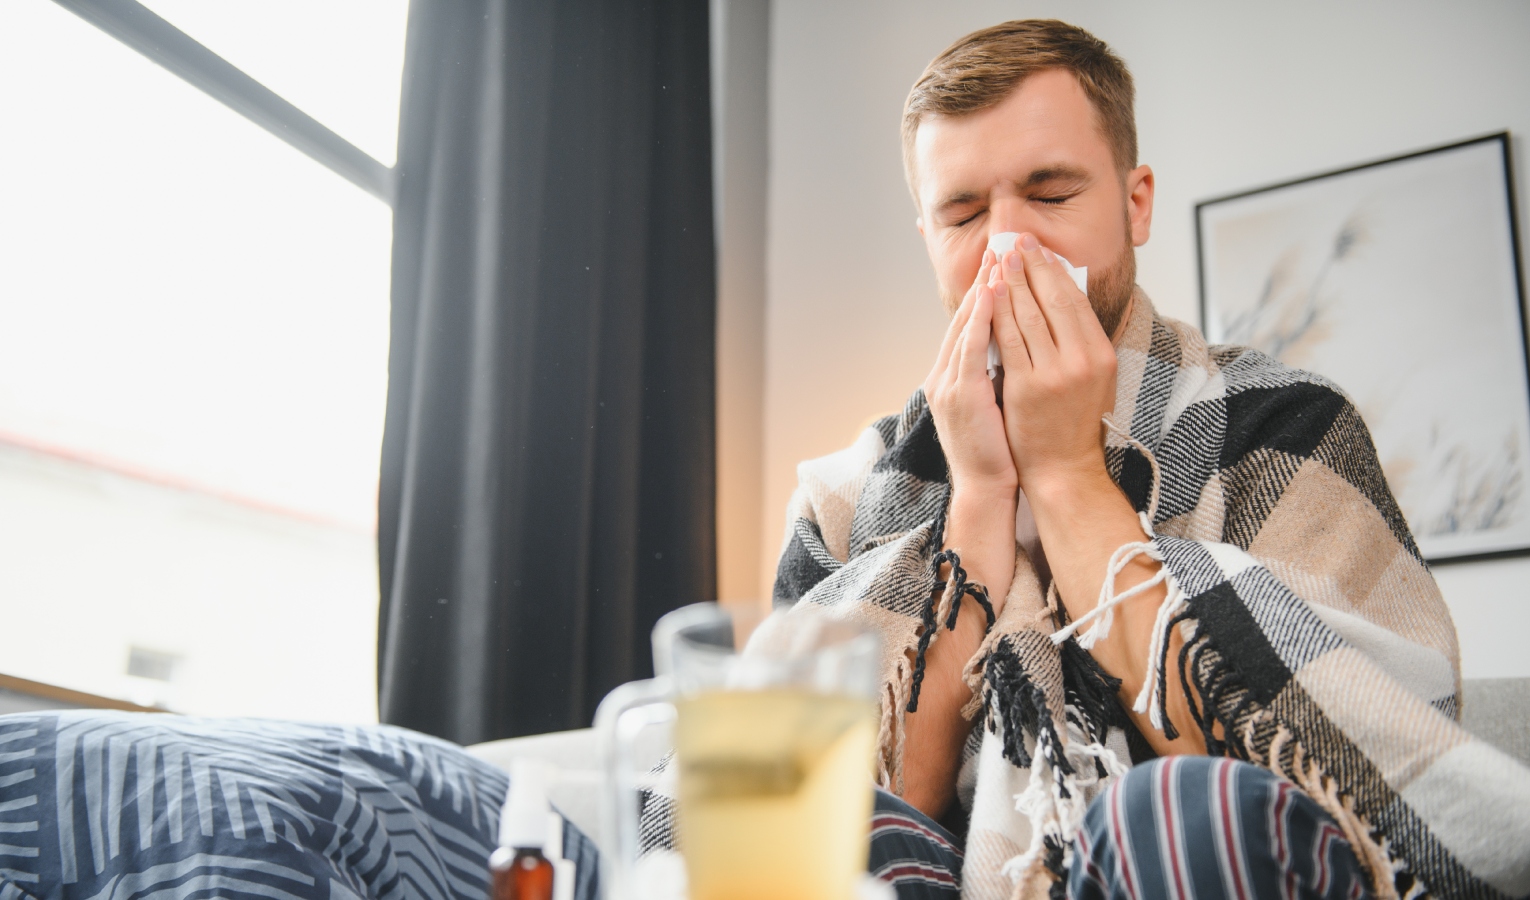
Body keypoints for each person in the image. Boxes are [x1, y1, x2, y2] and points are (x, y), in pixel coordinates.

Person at [771, 19, 1530, 900]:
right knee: (824, 825)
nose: (1006, 248)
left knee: (1169, 807)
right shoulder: (843, 493)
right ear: (929, 236)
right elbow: (864, 810)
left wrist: (1066, 478)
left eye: (1050, 194)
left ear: (1136, 203)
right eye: (965, 213)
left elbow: (1350, 785)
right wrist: (979, 496)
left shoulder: (1288, 429)